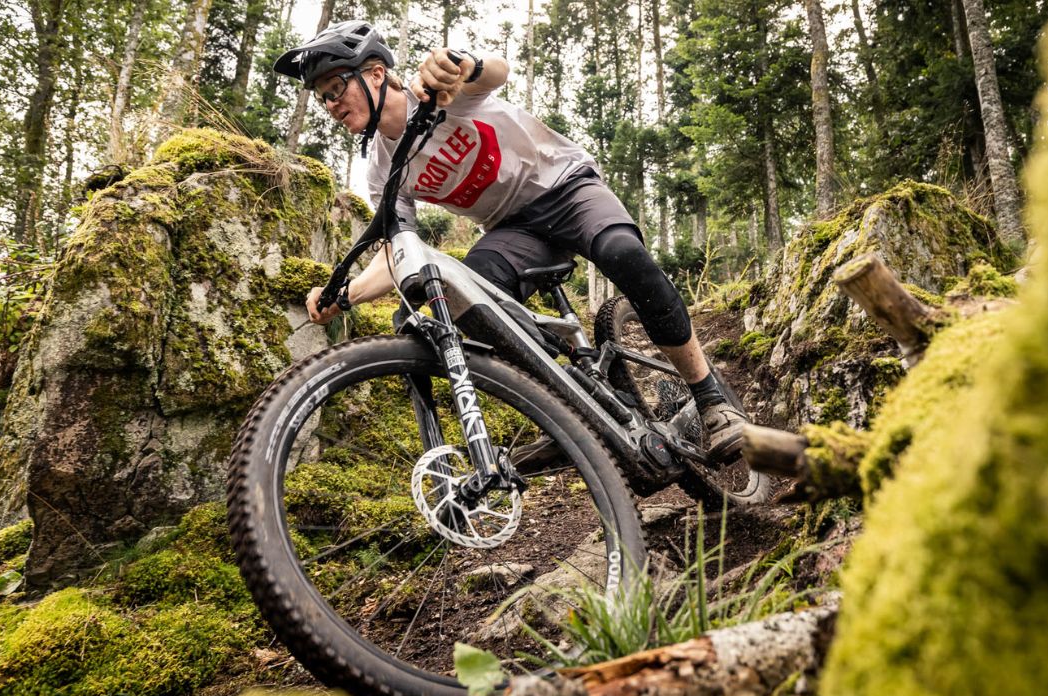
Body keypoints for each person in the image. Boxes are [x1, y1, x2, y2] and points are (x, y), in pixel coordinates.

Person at [274, 21, 749, 462]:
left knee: (622, 254)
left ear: (376, 74)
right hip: (512, 231)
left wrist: (462, 64)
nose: (330, 105)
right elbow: (397, 253)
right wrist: (346, 295)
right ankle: (584, 407)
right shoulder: (382, 169)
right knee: (465, 302)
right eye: (322, 98)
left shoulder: (435, 92)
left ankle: (710, 398)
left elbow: (494, 73)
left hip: (565, 187)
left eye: (335, 88)